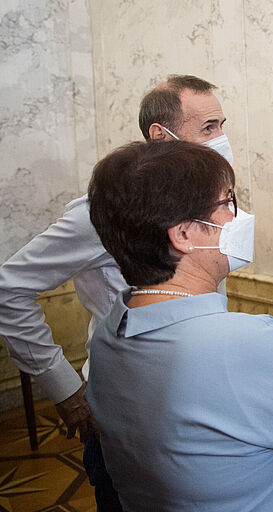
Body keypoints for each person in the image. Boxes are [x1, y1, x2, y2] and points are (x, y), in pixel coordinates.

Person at [84, 140, 273, 511]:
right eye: (227, 202)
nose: (239, 215)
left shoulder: (110, 330)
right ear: (184, 234)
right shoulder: (244, 343)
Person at [0, 74, 233, 511]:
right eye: (208, 128)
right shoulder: (103, 210)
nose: (221, 139)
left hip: (199, 395)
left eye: (222, 125)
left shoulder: (210, 200)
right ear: (161, 136)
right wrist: (64, 387)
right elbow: (8, 289)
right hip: (127, 404)